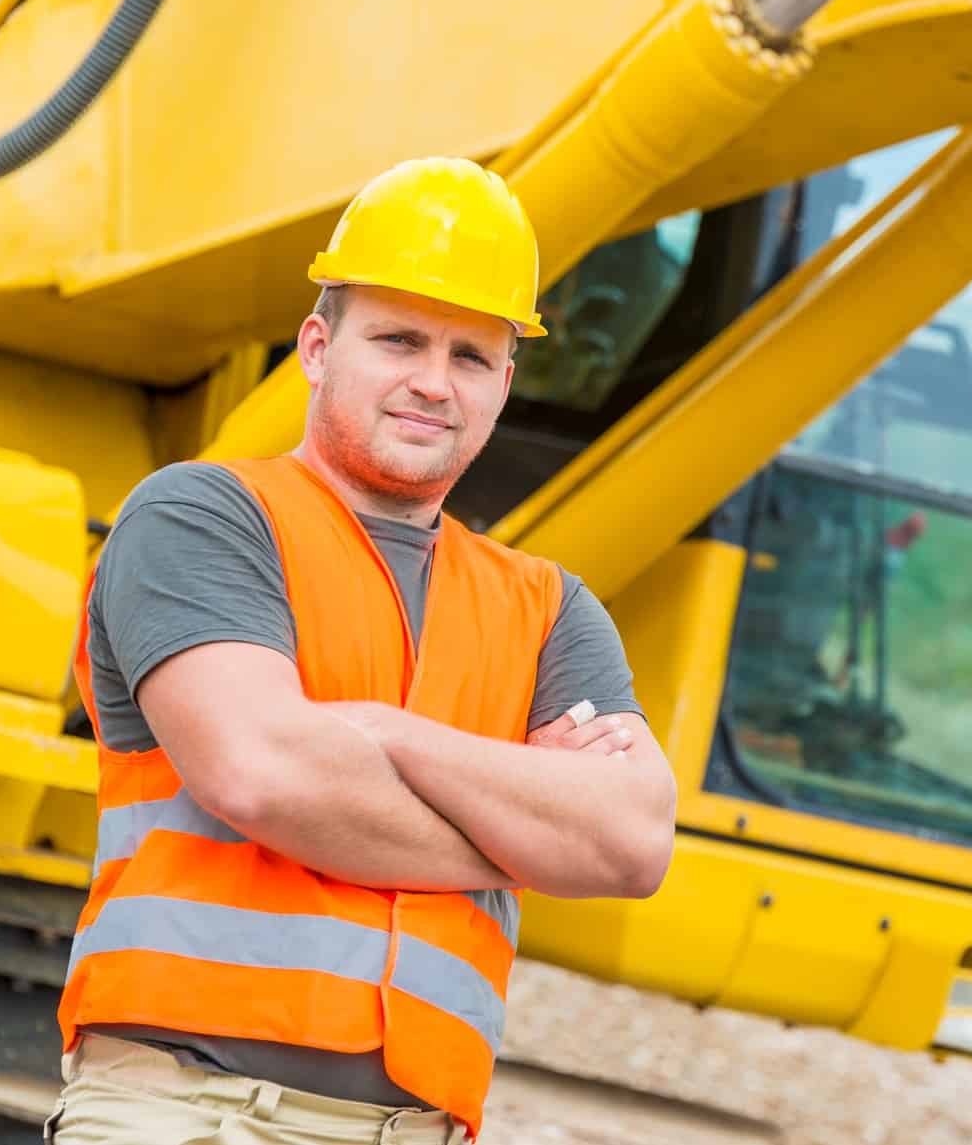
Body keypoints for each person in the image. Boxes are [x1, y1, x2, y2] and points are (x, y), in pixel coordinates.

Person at [45, 157, 677, 1144]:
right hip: (183, 1113)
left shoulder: (548, 608)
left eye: (470, 355)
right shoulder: (203, 517)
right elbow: (259, 771)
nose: (433, 380)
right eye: (397, 340)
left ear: (504, 383)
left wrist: (387, 737)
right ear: (314, 346)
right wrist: (519, 834)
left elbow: (632, 841)